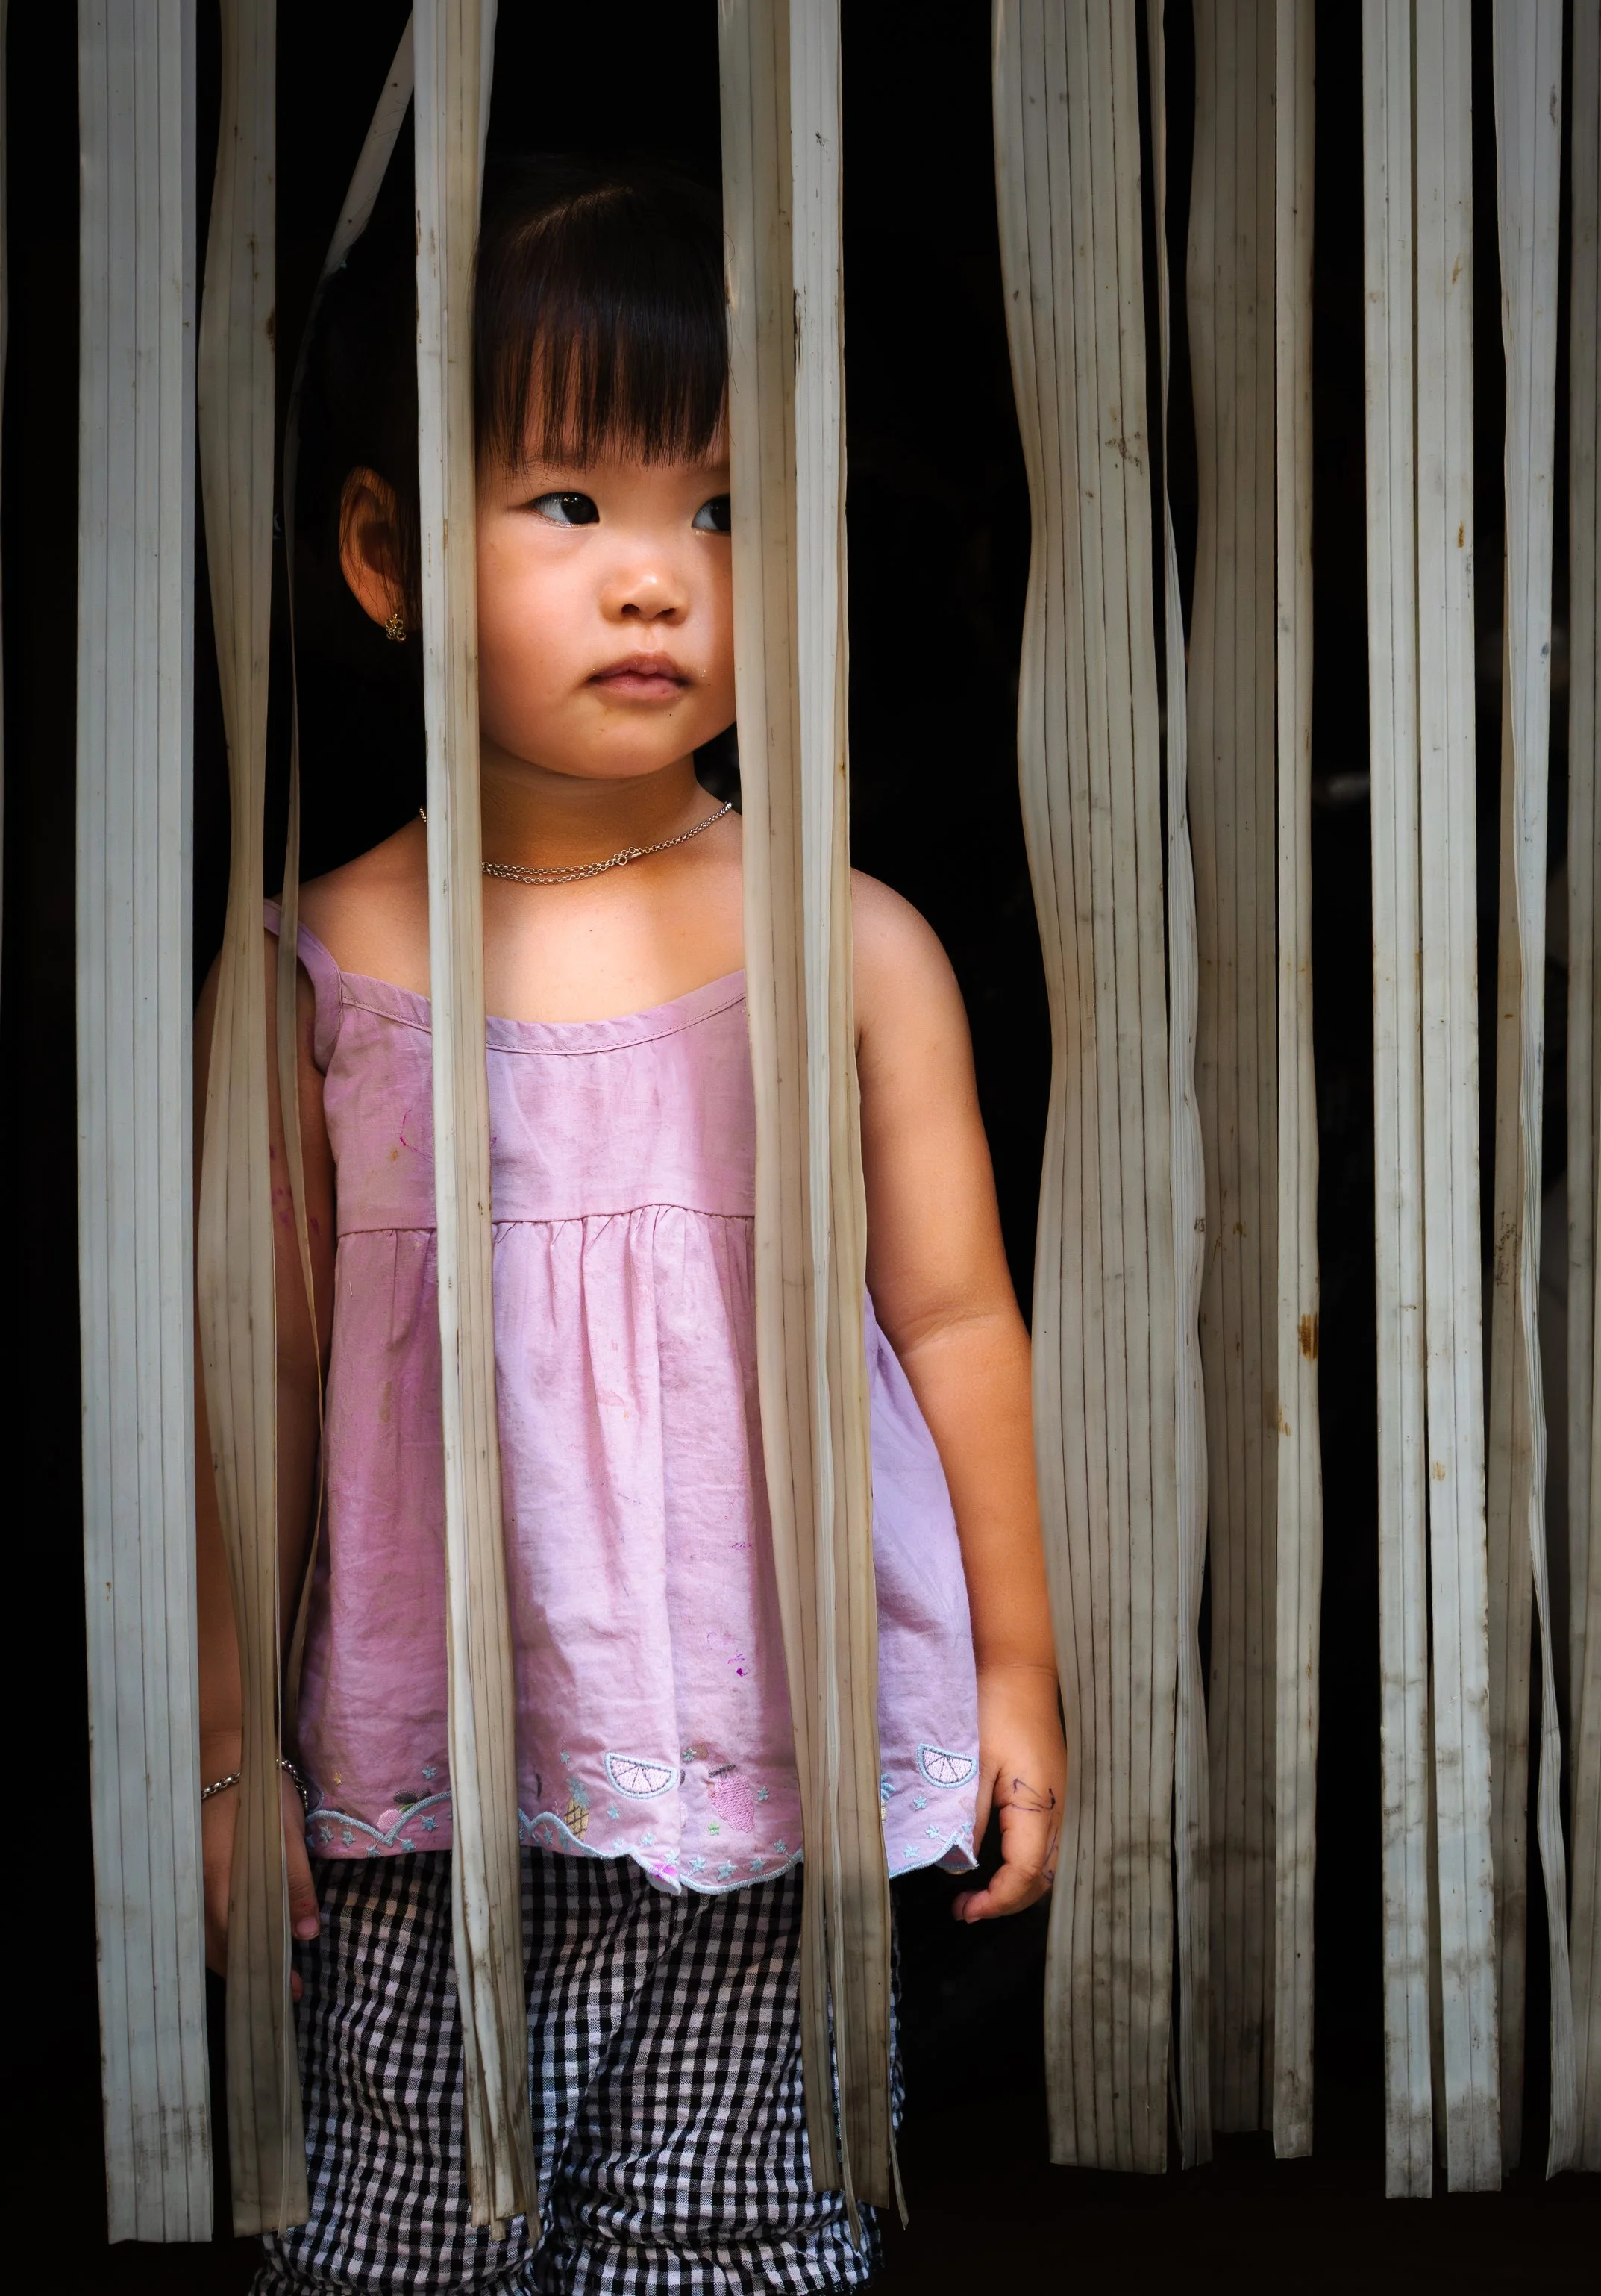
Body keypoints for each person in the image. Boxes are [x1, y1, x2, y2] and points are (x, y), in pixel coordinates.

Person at [192, 151, 1064, 2295]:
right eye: (572, 504)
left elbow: (953, 1320)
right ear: (387, 555)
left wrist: (1026, 1669)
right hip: (420, 1776)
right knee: (403, 2233)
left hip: (772, 1774)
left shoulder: (848, 946)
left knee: (736, 2235)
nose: (662, 579)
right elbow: (256, 1369)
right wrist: (225, 1738)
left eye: (729, 510)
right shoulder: (315, 966)